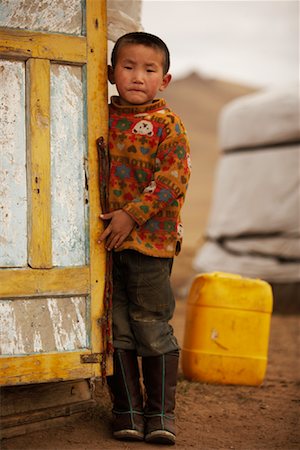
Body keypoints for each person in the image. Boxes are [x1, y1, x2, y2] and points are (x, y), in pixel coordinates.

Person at [99, 31, 191, 446]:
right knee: (116, 328)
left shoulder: (168, 125)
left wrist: (130, 215)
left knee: (151, 326)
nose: (138, 76)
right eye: (128, 66)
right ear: (110, 73)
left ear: (164, 80)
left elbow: (172, 180)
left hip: (151, 244)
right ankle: (127, 412)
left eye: (149, 69)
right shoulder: (97, 117)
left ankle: (161, 415)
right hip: (104, 244)